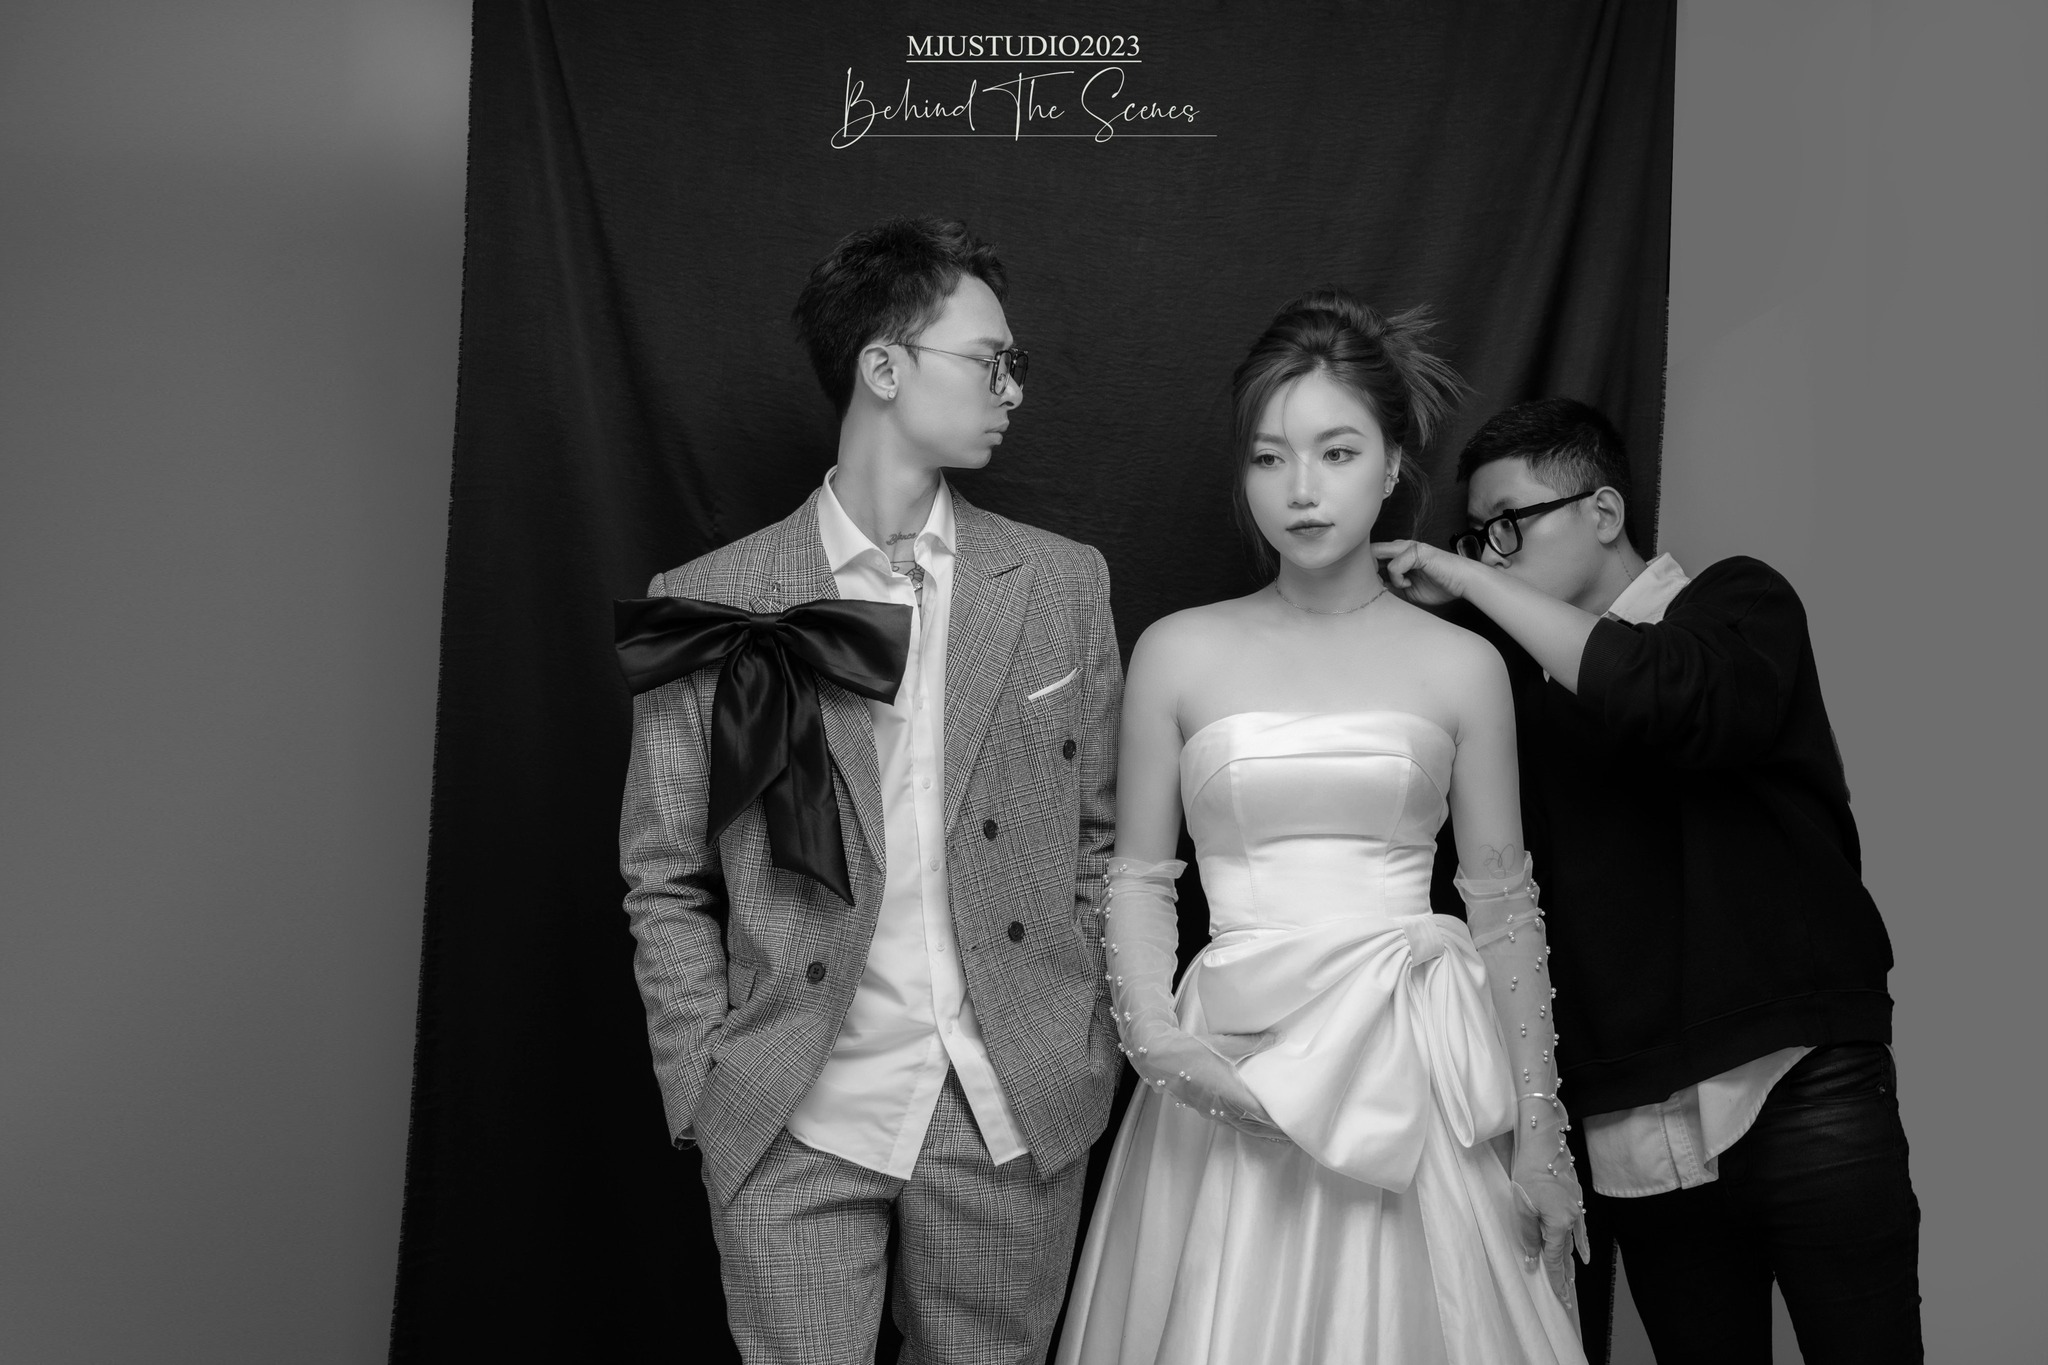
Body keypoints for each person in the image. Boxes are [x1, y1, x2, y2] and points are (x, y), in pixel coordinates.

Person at [617, 217, 1123, 1364]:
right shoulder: (712, 598)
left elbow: (1098, 839)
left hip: (1010, 1102)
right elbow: (663, 871)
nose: (1012, 389)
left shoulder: (1062, 584)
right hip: (790, 1104)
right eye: (988, 360)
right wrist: (700, 1078)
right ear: (883, 367)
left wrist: (1076, 1033)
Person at [1057, 291, 1588, 1365]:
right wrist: (1159, 1045)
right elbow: (1139, 877)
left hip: (1415, 1066)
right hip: (1225, 1064)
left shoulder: (1463, 665)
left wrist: (1541, 1132)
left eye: (1336, 452)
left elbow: (1502, 907)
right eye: (1269, 458)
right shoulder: (1176, 650)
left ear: (1391, 466)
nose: (1300, 489)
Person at [1372, 398, 1921, 1364]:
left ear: (1605, 511)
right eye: (1476, 536)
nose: (1490, 555)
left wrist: (1465, 578)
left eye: (1509, 525)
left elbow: (1662, 691)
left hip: (1795, 1078)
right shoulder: (1511, 696)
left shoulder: (1740, 604)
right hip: (1630, 1120)